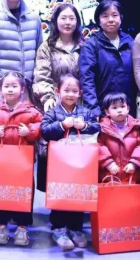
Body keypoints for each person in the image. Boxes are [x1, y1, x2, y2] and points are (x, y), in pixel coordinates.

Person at [40, 74, 100, 251]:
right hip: (59, 162)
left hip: (80, 161)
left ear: (80, 93)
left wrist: (84, 126)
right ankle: (58, 228)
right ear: (57, 91)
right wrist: (62, 125)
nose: (70, 94)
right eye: (66, 90)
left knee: (78, 193)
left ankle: (75, 228)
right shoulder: (52, 112)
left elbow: (97, 127)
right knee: (59, 192)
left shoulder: (85, 112)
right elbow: (44, 131)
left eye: (74, 91)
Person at [0, 71, 43, 246]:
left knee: (24, 192)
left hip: (22, 163)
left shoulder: (31, 111)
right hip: (1, 163)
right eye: (6, 86)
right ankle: (1, 225)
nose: (10, 90)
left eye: (14, 86)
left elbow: (40, 126)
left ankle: (22, 227)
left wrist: (29, 131)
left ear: (22, 89)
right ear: (1, 89)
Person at [78, 0, 135, 119]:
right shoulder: (91, 45)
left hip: (129, 107)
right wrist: (93, 110)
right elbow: (87, 80)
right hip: (104, 109)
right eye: (105, 16)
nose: (110, 19)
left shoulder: (130, 42)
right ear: (98, 20)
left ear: (121, 17)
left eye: (114, 15)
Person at [33, 3, 84, 112]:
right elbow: (41, 77)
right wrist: (48, 98)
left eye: (72, 18)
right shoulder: (47, 47)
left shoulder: (85, 46)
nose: (67, 22)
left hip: (81, 103)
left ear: (77, 22)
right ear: (55, 21)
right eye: (63, 18)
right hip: (55, 102)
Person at [97, 92, 140, 184]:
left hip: (132, 178)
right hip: (109, 178)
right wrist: (108, 163)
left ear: (128, 108)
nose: (119, 110)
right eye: (114, 108)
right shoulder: (102, 128)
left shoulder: (136, 126)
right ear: (107, 112)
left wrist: (134, 163)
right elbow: (98, 146)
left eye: (122, 106)